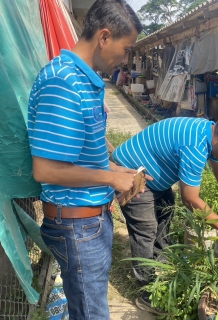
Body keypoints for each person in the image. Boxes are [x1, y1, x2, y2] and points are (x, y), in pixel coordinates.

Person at [27, 1, 143, 318]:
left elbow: (81, 154)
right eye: (127, 48)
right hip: (77, 224)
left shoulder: (83, 80)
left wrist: (119, 171)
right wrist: (110, 178)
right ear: (104, 36)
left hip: (88, 219)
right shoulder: (63, 83)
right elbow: (46, 169)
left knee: (88, 305)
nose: (127, 58)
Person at [112, 111, 218, 314]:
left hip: (154, 174)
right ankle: (147, 291)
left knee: (166, 209)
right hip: (130, 173)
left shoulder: (210, 133)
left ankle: (161, 262)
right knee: (145, 229)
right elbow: (190, 199)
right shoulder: (195, 146)